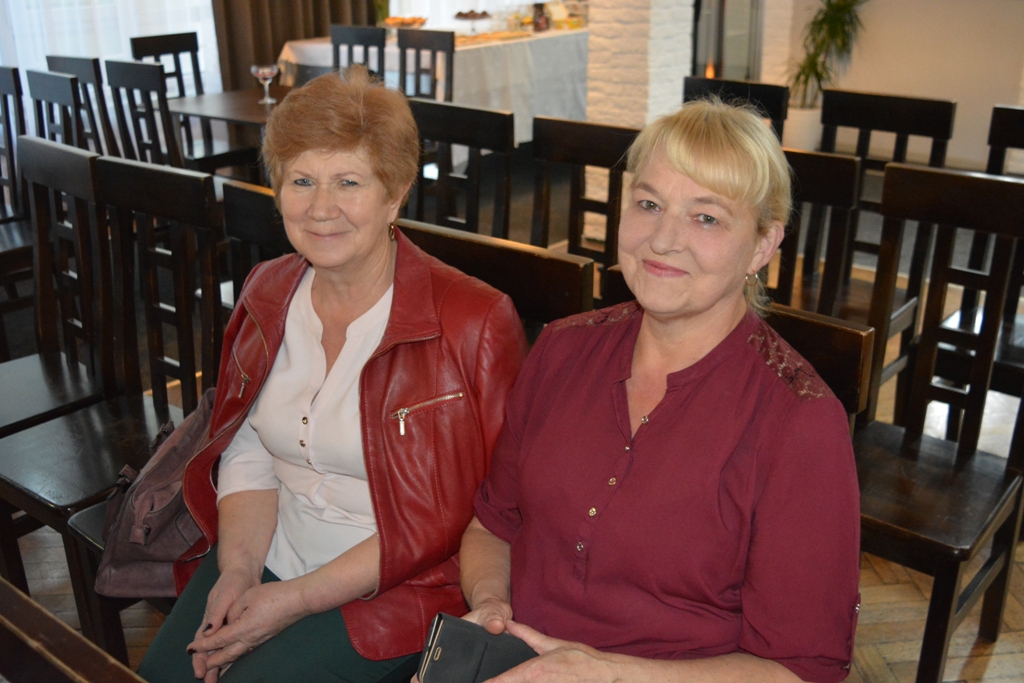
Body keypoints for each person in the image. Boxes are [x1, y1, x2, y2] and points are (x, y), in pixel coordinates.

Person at [138, 67, 527, 683]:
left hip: (396, 585)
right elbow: (247, 448)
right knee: (160, 677)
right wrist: (238, 570)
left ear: (395, 193)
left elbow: (476, 510)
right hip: (268, 544)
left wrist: (293, 600)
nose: (321, 208)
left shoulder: (473, 322)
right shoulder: (266, 291)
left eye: (349, 181)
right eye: (301, 181)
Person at [460, 99, 861, 683]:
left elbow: (802, 668)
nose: (663, 239)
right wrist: (491, 608)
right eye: (649, 204)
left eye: (707, 218)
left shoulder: (799, 422)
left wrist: (606, 673)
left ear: (762, 245)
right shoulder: (561, 350)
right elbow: (493, 526)